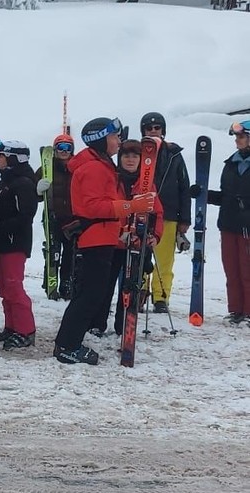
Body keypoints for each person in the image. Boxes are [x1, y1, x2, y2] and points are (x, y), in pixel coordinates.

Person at [54, 118, 156, 365]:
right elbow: (92, 207)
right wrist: (131, 206)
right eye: (114, 137)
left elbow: (104, 203)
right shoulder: (94, 168)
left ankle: (68, 343)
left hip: (102, 236)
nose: (118, 142)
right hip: (95, 238)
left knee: (91, 293)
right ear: (101, 139)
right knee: (90, 294)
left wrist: (126, 222)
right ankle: (67, 345)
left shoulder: (101, 165)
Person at [89, 139, 162, 336]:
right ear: (120, 158)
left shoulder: (147, 183)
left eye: (135, 156)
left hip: (136, 244)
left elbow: (157, 212)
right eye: (126, 156)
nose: (130, 160)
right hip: (114, 242)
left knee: (130, 287)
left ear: (141, 160)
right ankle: (97, 322)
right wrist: (119, 230)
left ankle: (124, 325)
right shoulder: (112, 179)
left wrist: (155, 235)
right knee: (105, 284)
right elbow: (107, 206)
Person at [0, 140, 39, 350]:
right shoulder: (5, 182)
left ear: (13, 158)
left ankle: (26, 330)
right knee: (3, 287)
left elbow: (25, 216)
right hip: (0, 242)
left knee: (13, 286)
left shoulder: (23, 183)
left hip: (13, 243)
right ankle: (11, 325)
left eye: (1, 156)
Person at [140, 112, 191, 313]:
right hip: (143, 212)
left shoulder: (174, 154)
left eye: (157, 128)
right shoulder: (137, 151)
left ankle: (161, 297)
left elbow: (184, 187)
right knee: (141, 255)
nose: (153, 131)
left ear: (163, 130)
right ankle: (139, 293)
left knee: (164, 259)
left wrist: (184, 219)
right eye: (149, 128)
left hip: (168, 213)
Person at [205, 120, 250, 324]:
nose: (237, 141)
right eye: (236, 137)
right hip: (228, 223)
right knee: (231, 268)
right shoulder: (231, 164)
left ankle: (248, 311)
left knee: (246, 269)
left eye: (241, 137)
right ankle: (236, 310)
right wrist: (205, 195)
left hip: (247, 226)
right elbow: (226, 196)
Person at [35, 133, 76, 300]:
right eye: (60, 147)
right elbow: (33, 194)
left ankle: (67, 284)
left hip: (73, 218)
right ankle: (50, 281)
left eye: (68, 147)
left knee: (70, 252)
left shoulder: (77, 168)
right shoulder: (47, 167)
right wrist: (37, 189)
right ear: (55, 149)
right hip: (53, 215)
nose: (64, 151)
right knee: (53, 250)